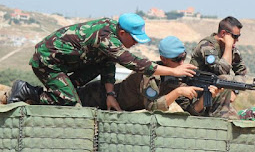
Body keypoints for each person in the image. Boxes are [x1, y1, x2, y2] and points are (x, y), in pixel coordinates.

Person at [7, 13, 196, 109]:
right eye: (134, 39)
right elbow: (135, 64)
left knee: (99, 65)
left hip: (66, 63)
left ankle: (63, 90)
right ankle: (28, 91)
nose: (135, 44)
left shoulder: (113, 32)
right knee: (71, 103)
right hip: (48, 63)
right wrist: (174, 72)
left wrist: (110, 94)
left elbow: (107, 65)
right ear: (122, 33)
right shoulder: (107, 38)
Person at [77, 36, 225, 115]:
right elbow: (152, 106)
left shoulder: (179, 77)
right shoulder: (150, 74)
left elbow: (192, 110)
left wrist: (209, 95)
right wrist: (178, 92)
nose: (181, 63)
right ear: (163, 59)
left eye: (183, 57)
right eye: (176, 60)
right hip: (95, 96)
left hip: (114, 110)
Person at [190, 16, 247, 103]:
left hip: (218, 93)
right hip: (197, 92)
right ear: (223, 33)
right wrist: (228, 46)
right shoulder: (206, 46)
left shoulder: (232, 50)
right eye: (234, 36)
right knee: (226, 78)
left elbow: (241, 72)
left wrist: (235, 91)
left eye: (238, 36)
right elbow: (222, 71)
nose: (237, 40)